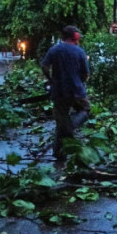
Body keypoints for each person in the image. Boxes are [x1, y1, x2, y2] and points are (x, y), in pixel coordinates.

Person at [41, 25, 90, 161]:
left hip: (58, 92)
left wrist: (51, 79)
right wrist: (80, 80)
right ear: (75, 37)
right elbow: (86, 74)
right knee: (85, 109)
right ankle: (70, 127)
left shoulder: (54, 50)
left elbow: (44, 66)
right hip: (77, 91)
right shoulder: (80, 52)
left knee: (61, 120)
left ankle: (59, 152)